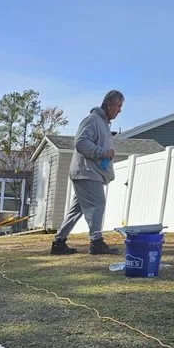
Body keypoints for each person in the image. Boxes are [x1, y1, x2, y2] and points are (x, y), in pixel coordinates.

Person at [50, 90, 124, 256]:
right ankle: (96, 242)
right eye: (118, 106)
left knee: (76, 210)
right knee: (98, 204)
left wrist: (106, 152)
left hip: (87, 173)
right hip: (87, 173)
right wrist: (103, 153)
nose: (120, 110)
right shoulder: (93, 120)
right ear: (109, 104)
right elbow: (81, 143)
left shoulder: (103, 123)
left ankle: (59, 242)